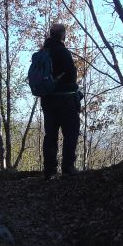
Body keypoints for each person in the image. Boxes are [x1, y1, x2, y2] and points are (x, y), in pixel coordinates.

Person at [40, 23, 81, 180]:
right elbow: (71, 75)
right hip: (65, 100)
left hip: (47, 100)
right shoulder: (62, 51)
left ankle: (49, 170)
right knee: (71, 132)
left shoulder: (44, 51)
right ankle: (68, 167)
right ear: (63, 35)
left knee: (50, 135)